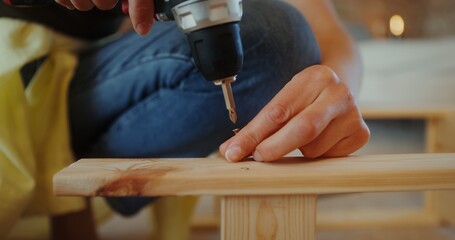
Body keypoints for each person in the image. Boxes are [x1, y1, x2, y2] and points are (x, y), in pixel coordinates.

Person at [1, 0, 370, 238]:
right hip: (14, 57)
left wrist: (332, 97)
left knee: (280, 38)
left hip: (111, 60)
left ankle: (75, 164)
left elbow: (328, 34)